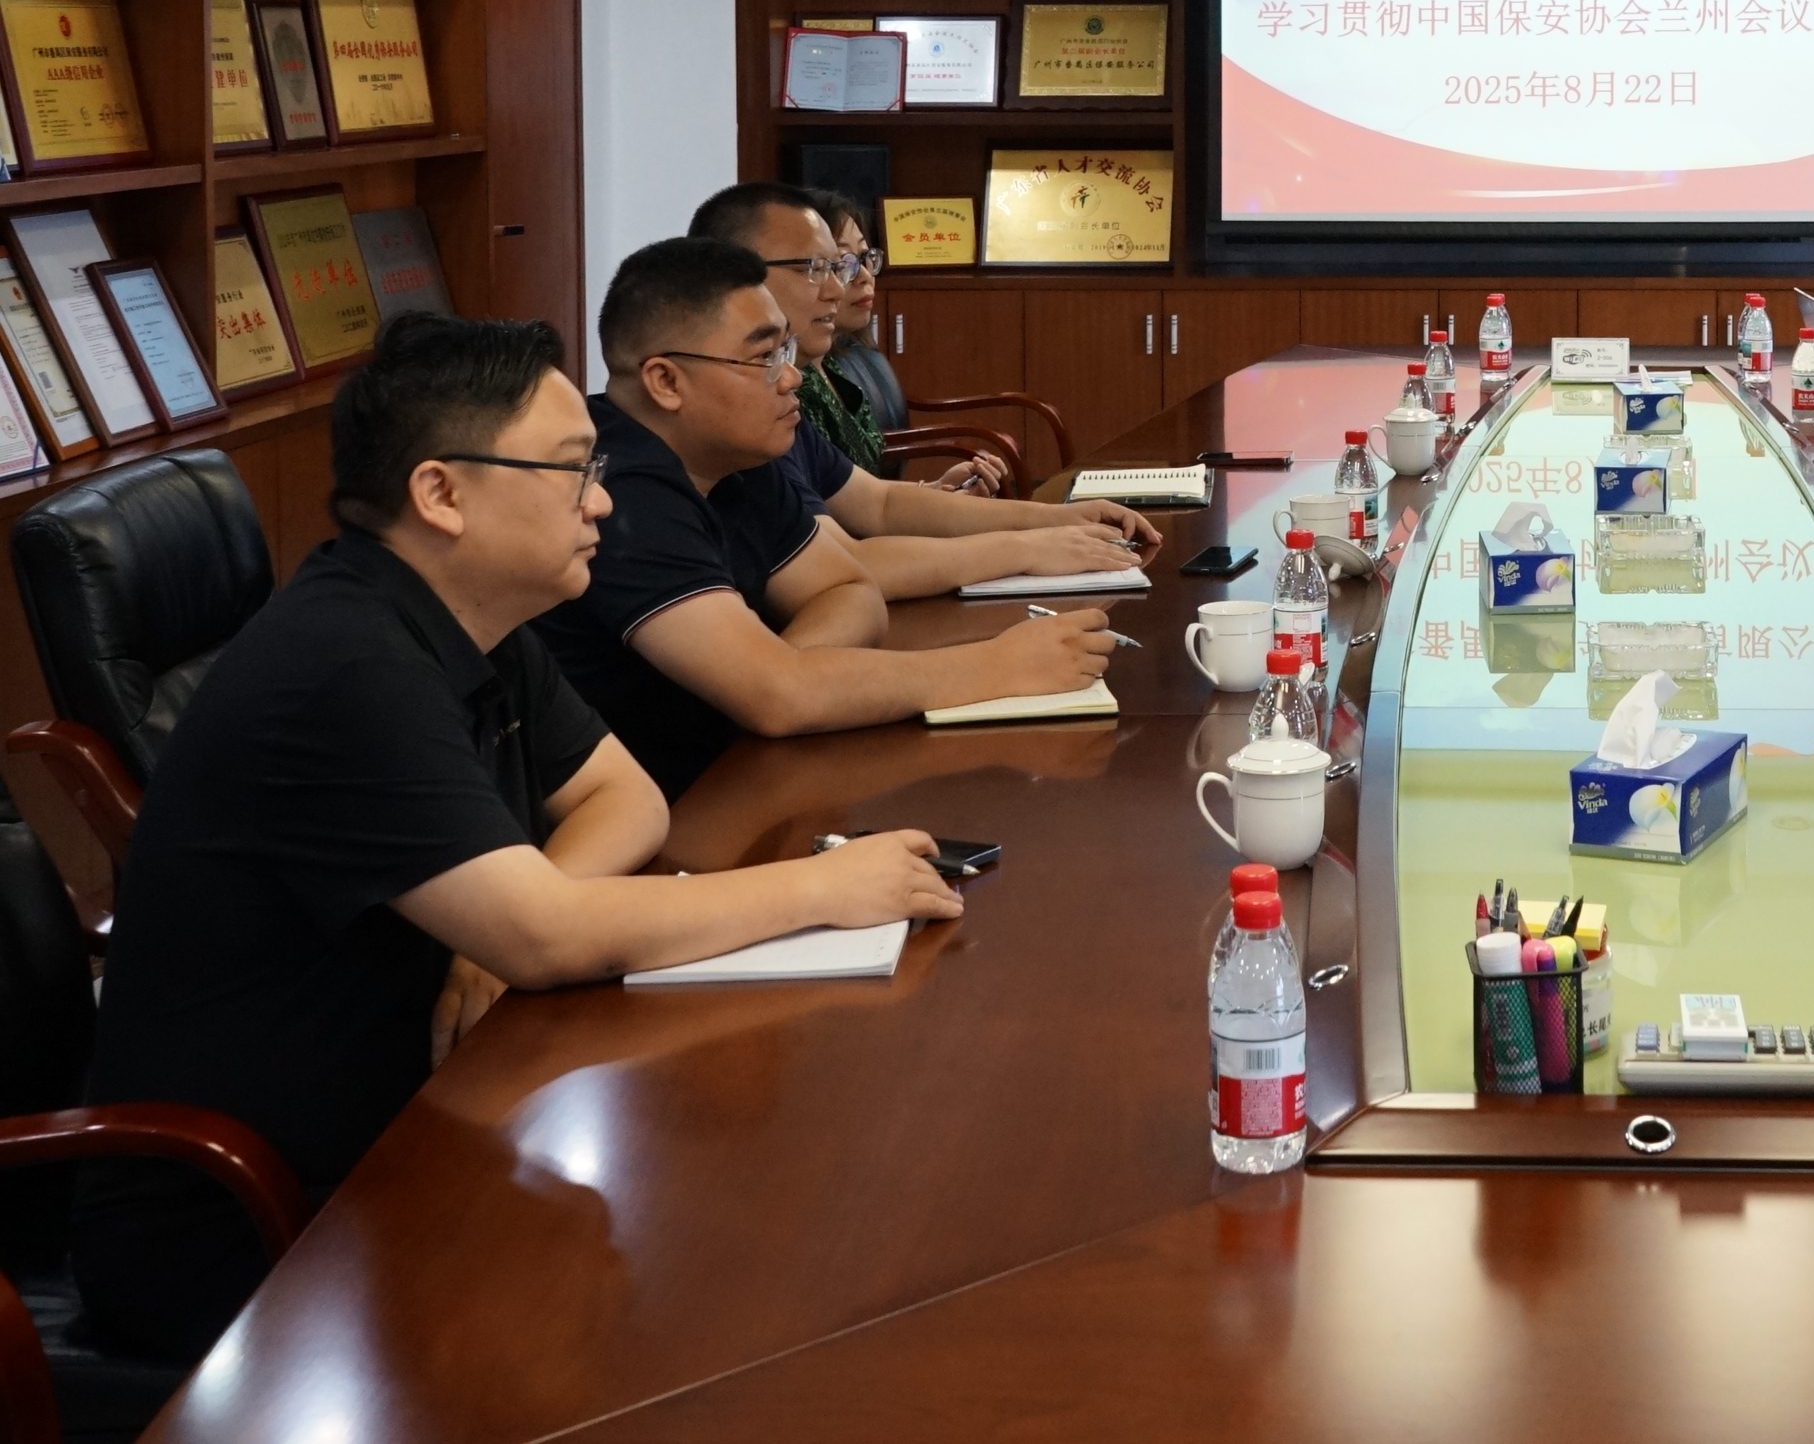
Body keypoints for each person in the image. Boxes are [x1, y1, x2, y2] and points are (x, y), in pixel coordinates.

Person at [73, 315, 968, 1361]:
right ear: (441, 493)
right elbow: (546, 937)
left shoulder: (472, 615)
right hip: (253, 1231)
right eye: (570, 469)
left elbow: (628, 800)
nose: (601, 500)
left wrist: (493, 931)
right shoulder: (344, 664)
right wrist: (824, 887)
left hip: (419, 1124)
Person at [533, 237, 1115, 795]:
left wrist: (791, 673)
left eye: (785, 351)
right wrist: (996, 665)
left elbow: (850, 589)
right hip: (674, 813)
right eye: (764, 357)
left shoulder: (736, 455)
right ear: (665, 381)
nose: (790, 377)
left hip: (749, 771)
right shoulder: (619, 492)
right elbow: (779, 698)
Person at [687, 183, 1159, 600]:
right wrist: (1028, 547)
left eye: (838, 267)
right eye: (814, 268)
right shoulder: (731, 420)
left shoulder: (771, 398)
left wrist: (1055, 519)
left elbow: (880, 504)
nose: (836, 289)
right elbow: (843, 570)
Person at [805, 190, 1003, 494]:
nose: (865, 276)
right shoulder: (791, 390)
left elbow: (868, 501)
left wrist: (935, 490)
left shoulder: (831, 365)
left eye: (865, 258)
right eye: (841, 263)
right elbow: (849, 514)